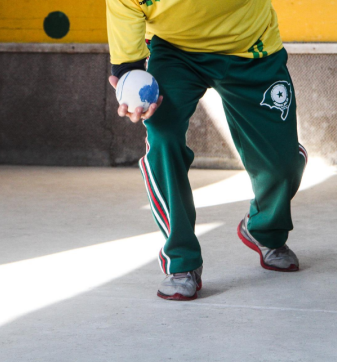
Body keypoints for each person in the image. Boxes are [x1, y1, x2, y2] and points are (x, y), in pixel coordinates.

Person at [106, 0, 307, 301]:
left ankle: (265, 230)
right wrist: (129, 77)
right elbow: (127, 53)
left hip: (251, 48)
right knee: (163, 139)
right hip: (175, 52)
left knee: (283, 163)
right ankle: (182, 261)